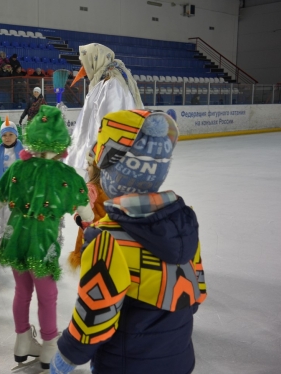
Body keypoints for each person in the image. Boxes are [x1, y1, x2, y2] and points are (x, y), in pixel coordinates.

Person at [50, 109, 206, 374]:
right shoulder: (183, 222)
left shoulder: (107, 239)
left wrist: (66, 357)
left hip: (125, 363)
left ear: (111, 170)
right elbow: (194, 295)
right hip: (178, 357)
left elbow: (95, 316)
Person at [0, 105, 93, 372]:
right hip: (43, 242)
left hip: (17, 237)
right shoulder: (66, 175)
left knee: (22, 292)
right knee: (48, 295)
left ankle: (22, 341)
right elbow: (87, 213)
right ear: (60, 138)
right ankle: (50, 346)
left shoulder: (19, 167)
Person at [65, 43, 143, 172]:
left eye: (85, 62)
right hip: (102, 156)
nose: (83, 68)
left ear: (95, 59)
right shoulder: (105, 82)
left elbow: (109, 123)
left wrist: (97, 156)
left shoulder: (112, 85)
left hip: (108, 158)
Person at [0, 117, 24, 251]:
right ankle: (3, 238)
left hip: (17, 190)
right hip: (3, 189)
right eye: (4, 135)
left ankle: (14, 240)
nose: (7, 138)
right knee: (2, 215)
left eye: (11, 134)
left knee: (12, 215)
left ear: (16, 135)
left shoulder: (23, 152)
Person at [67, 151, 108, 271]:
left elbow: (82, 206)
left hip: (90, 236)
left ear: (98, 169)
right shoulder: (113, 190)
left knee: (89, 266)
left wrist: (79, 219)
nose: (86, 168)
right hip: (109, 236)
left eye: (89, 165)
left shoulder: (91, 188)